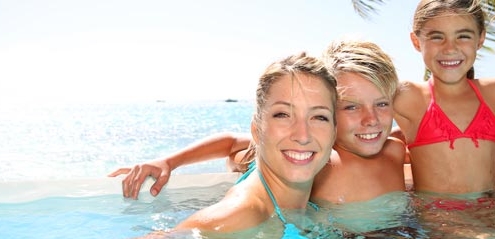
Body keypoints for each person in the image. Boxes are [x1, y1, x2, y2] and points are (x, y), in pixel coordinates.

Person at [0, 52, 339, 239]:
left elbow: (227, 142)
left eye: (319, 117)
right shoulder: (240, 215)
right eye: (283, 115)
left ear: (334, 131)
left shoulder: (259, 162)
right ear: (258, 128)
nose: (303, 134)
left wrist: (169, 161)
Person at [110, 39, 410, 207]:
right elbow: (231, 143)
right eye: (351, 107)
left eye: (382, 104)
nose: (371, 120)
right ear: (329, 113)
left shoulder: (395, 149)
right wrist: (169, 161)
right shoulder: (320, 159)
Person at [393, 0, 495, 198]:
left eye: (463, 36)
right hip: (437, 223)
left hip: (488, 216)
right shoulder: (408, 97)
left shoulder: (491, 94)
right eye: (437, 37)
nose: (450, 48)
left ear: (480, 39)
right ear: (416, 42)